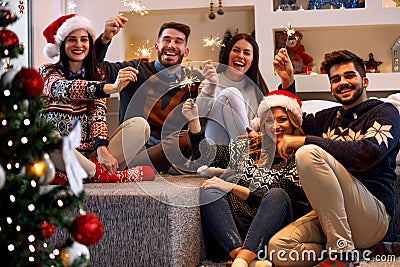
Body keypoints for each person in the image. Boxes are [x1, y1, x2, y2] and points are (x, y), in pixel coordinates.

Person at [268, 48, 400, 266]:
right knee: (279, 249)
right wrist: (287, 82)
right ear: (331, 87)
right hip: (332, 217)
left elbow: (367, 154)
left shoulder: (384, 112)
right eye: (336, 79)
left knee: (308, 152)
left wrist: (306, 141)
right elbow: (293, 123)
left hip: (372, 215)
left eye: (349, 76)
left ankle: (343, 253)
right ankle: (360, 251)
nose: (343, 83)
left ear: (365, 81)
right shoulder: (328, 118)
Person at [182, 90, 311, 267]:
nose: (275, 126)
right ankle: (244, 258)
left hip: (273, 229)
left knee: (277, 194)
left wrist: (230, 187)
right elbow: (206, 156)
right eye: (269, 120)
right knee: (210, 190)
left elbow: (270, 196)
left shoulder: (301, 156)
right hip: (237, 228)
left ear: (293, 122)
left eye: (282, 119)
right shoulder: (248, 147)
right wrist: (194, 120)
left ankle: (241, 260)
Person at [39, 14, 155, 183]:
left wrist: (101, 149)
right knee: (47, 136)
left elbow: (97, 115)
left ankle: (83, 173)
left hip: (88, 155)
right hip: (61, 155)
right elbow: (65, 89)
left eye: (84, 40)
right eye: (72, 39)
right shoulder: (47, 71)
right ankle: (103, 175)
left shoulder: (97, 73)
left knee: (140, 126)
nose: (79, 45)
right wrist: (112, 88)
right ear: (62, 44)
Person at [94, 15, 203, 173]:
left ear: (185, 51)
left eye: (178, 41)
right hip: (133, 152)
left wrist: (211, 86)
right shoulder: (136, 69)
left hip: (168, 150)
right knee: (140, 126)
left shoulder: (192, 80)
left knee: (188, 137)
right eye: (166, 40)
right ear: (156, 46)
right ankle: (142, 169)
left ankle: (163, 168)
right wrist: (104, 39)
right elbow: (96, 70)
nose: (171, 45)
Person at [196, 33, 269, 145]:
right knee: (231, 93)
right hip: (214, 146)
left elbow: (266, 127)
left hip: (245, 145)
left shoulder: (256, 91)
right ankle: (243, 153)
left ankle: (243, 153)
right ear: (228, 54)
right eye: (236, 50)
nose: (240, 56)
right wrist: (211, 85)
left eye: (247, 53)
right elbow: (198, 117)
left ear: (253, 60)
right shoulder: (211, 82)